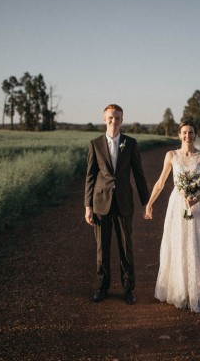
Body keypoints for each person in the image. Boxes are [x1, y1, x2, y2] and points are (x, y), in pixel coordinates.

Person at [144, 120, 200, 312]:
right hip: (177, 205)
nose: (188, 136)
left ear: (195, 135)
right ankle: (179, 290)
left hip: (196, 205)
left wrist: (197, 198)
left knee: (196, 244)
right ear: (179, 135)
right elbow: (160, 182)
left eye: (191, 132)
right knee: (177, 243)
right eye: (184, 132)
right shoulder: (171, 155)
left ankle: (198, 291)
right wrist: (150, 203)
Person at [85, 104, 149, 305]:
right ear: (104, 118)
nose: (114, 121)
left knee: (125, 247)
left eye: (118, 118)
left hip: (124, 202)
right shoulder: (95, 144)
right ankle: (102, 287)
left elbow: (139, 174)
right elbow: (90, 176)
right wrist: (87, 206)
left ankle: (129, 289)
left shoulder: (130, 143)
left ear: (122, 120)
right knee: (102, 249)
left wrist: (146, 202)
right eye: (111, 118)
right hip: (100, 203)